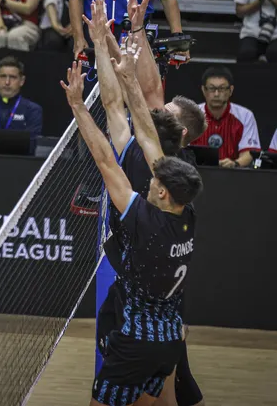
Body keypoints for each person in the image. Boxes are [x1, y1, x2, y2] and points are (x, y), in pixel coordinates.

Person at [61, 52, 203, 406]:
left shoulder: (143, 219)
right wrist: (128, 81)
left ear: (163, 192)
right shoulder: (187, 216)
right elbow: (148, 134)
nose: (153, 184)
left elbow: (104, 158)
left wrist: (78, 105)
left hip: (137, 339)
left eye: (158, 184)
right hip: (170, 337)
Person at [88, 0, 207, 406]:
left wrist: (123, 40)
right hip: (140, 286)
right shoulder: (141, 147)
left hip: (153, 295)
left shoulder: (169, 169)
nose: (158, 108)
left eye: (168, 112)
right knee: (166, 384)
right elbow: (113, 102)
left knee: (171, 386)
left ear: (182, 134)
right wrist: (103, 42)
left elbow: (141, 94)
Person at [190, 67, 261, 169]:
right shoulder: (192, 114)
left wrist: (235, 163)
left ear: (230, 90)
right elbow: (182, 149)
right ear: (203, 90)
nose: (216, 94)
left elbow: (249, 152)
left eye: (222, 88)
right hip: (197, 173)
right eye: (212, 88)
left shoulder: (245, 115)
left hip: (234, 174)